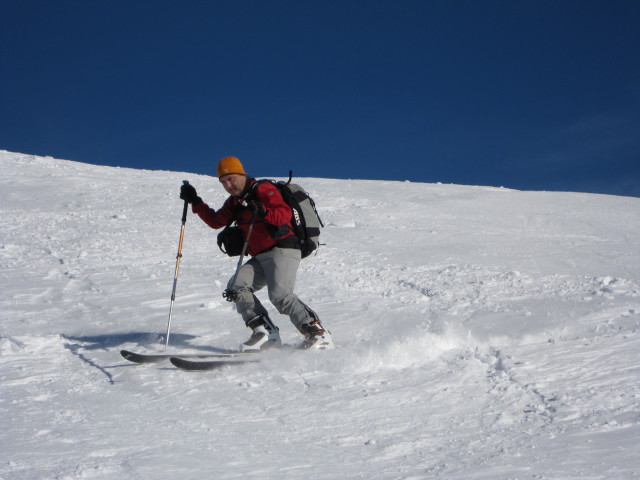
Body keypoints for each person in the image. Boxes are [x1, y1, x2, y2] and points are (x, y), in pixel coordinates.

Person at [179, 156, 333, 351]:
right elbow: (216, 221)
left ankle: (317, 333)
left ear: (242, 174)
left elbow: (284, 214)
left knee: (280, 295)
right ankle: (265, 333)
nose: (228, 184)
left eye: (231, 178)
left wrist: (263, 211)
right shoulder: (234, 202)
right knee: (237, 287)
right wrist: (196, 201)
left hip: (283, 248)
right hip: (260, 255)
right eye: (223, 182)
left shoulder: (263, 189)